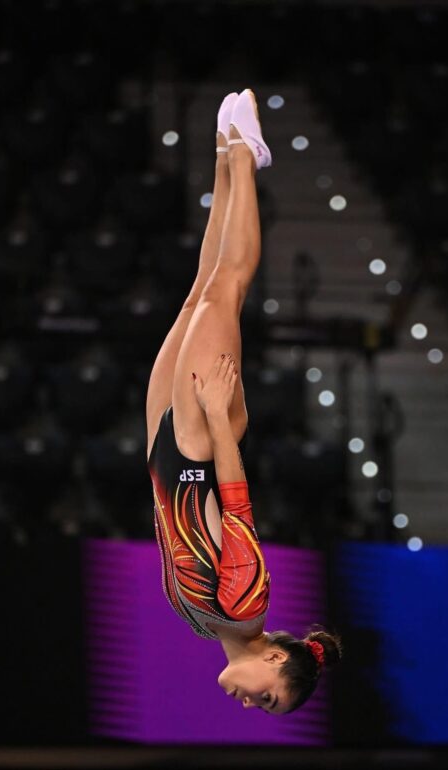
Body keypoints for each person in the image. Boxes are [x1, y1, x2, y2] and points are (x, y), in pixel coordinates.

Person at [146, 89, 342, 714]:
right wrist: (218, 420)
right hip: (202, 445)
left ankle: (226, 152)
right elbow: (237, 507)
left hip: (165, 455)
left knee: (198, 292)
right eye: (271, 700)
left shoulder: (208, 628)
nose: (251, 704)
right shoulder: (247, 609)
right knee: (227, 289)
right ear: (277, 660)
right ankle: (244, 158)